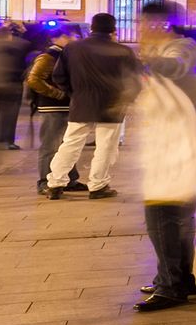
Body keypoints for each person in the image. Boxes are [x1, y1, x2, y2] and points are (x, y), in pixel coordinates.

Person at [132, 0, 196, 312]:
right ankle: (178, 279)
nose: (141, 30)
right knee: (178, 216)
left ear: (160, 24)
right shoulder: (182, 48)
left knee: (161, 216)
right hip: (181, 143)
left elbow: (176, 69)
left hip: (180, 146)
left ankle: (171, 285)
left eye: (145, 24)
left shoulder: (181, 51)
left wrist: (146, 61)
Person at [44, 12, 139, 199]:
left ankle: (55, 183)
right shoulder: (123, 51)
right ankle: (98, 185)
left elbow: (59, 76)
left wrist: (75, 93)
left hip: (82, 103)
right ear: (114, 30)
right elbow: (134, 81)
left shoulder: (73, 48)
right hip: (113, 105)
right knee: (106, 147)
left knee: (70, 144)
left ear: (92, 28)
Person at [25, 27, 83, 195]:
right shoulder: (48, 56)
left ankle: (70, 179)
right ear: (60, 37)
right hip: (52, 106)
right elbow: (34, 80)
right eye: (73, 36)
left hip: (67, 105)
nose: (76, 39)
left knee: (68, 145)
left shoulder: (66, 55)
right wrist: (57, 94)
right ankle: (44, 180)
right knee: (50, 145)